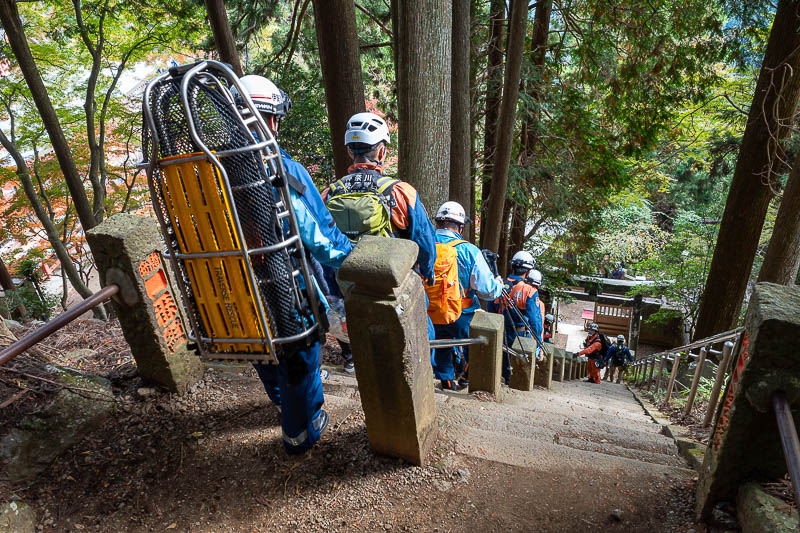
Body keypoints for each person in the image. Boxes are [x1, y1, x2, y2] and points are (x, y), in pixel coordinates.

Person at [238, 75, 354, 453]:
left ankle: (280, 397)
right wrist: (352, 260)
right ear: (270, 120)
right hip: (283, 289)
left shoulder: (207, 170)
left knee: (264, 344)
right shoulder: (280, 169)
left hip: (233, 291)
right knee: (301, 352)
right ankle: (300, 435)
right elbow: (319, 239)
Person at [323, 111, 438, 344]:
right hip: (394, 285)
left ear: (348, 151)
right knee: (422, 337)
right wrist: (428, 271)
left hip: (349, 287)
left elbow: (321, 243)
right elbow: (424, 240)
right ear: (382, 151)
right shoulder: (400, 192)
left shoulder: (329, 193)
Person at [429, 201, 503, 390]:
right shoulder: (469, 250)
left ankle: (445, 380)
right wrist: (499, 285)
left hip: (429, 310)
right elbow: (488, 291)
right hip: (460, 312)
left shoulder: (424, 244)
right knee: (475, 344)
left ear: (437, 222)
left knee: (441, 342)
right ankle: (467, 377)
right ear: (460, 227)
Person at [488, 251, 543, 384]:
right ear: (529, 272)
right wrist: (539, 342)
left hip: (498, 330)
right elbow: (535, 320)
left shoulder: (499, 284)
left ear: (512, 266)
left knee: (498, 362)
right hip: (518, 333)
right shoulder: (529, 291)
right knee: (513, 366)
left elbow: (490, 308)